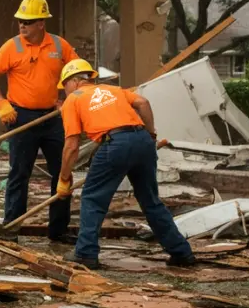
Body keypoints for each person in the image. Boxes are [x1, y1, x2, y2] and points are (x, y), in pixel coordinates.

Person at [56, 58, 196, 269]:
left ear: (73, 81)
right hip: (141, 139)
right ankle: (181, 252)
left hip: (115, 143)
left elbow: (71, 146)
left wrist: (64, 179)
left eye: (63, 86)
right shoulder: (112, 90)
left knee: (92, 199)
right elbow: (143, 103)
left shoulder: (73, 100)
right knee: (151, 201)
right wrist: (150, 134)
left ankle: (85, 254)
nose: (64, 91)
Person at [0, 0, 79, 241]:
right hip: (20, 116)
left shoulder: (59, 46)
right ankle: (11, 227)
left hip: (52, 117)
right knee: (19, 172)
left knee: (62, 172)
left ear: (41, 23)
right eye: (20, 21)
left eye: (28, 21)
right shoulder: (11, 47)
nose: (22, 25)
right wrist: (1, 102)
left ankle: (58, 230)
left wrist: (69, 99)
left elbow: (79, 73)